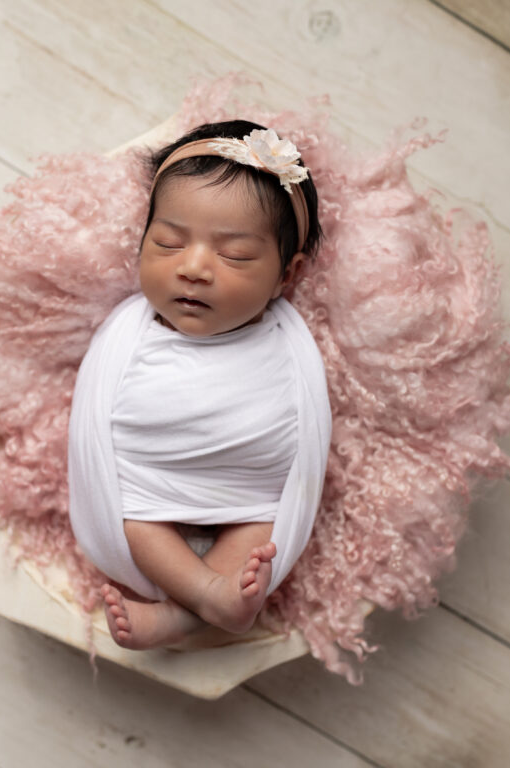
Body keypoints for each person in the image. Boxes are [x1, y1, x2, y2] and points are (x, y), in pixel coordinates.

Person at [67, 120, 331, 650]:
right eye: (167, 243)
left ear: (287, 275)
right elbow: (92, 421)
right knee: (133, 519)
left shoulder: (289, 344)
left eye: (234, 255)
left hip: (252, 486)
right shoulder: (128, 331)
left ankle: (186, 612)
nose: (193, 268)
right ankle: (205, 596)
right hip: (147, 482)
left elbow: (307, 430)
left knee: (263, 535)